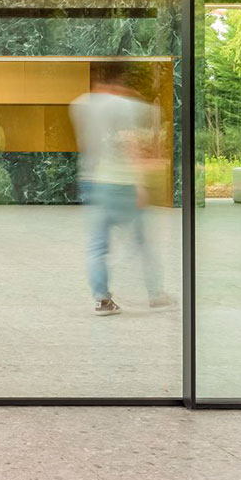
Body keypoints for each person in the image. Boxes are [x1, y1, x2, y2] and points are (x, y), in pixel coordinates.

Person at [68, 63, 172, 316]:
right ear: (118, 82)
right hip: (122, 183)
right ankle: (155, 293)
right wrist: (140, 184)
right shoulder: (122, 106)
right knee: (141, 242)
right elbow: (131, 143)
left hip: (94, 182)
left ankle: (102, 299)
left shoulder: (80, 104)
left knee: (97, 246)